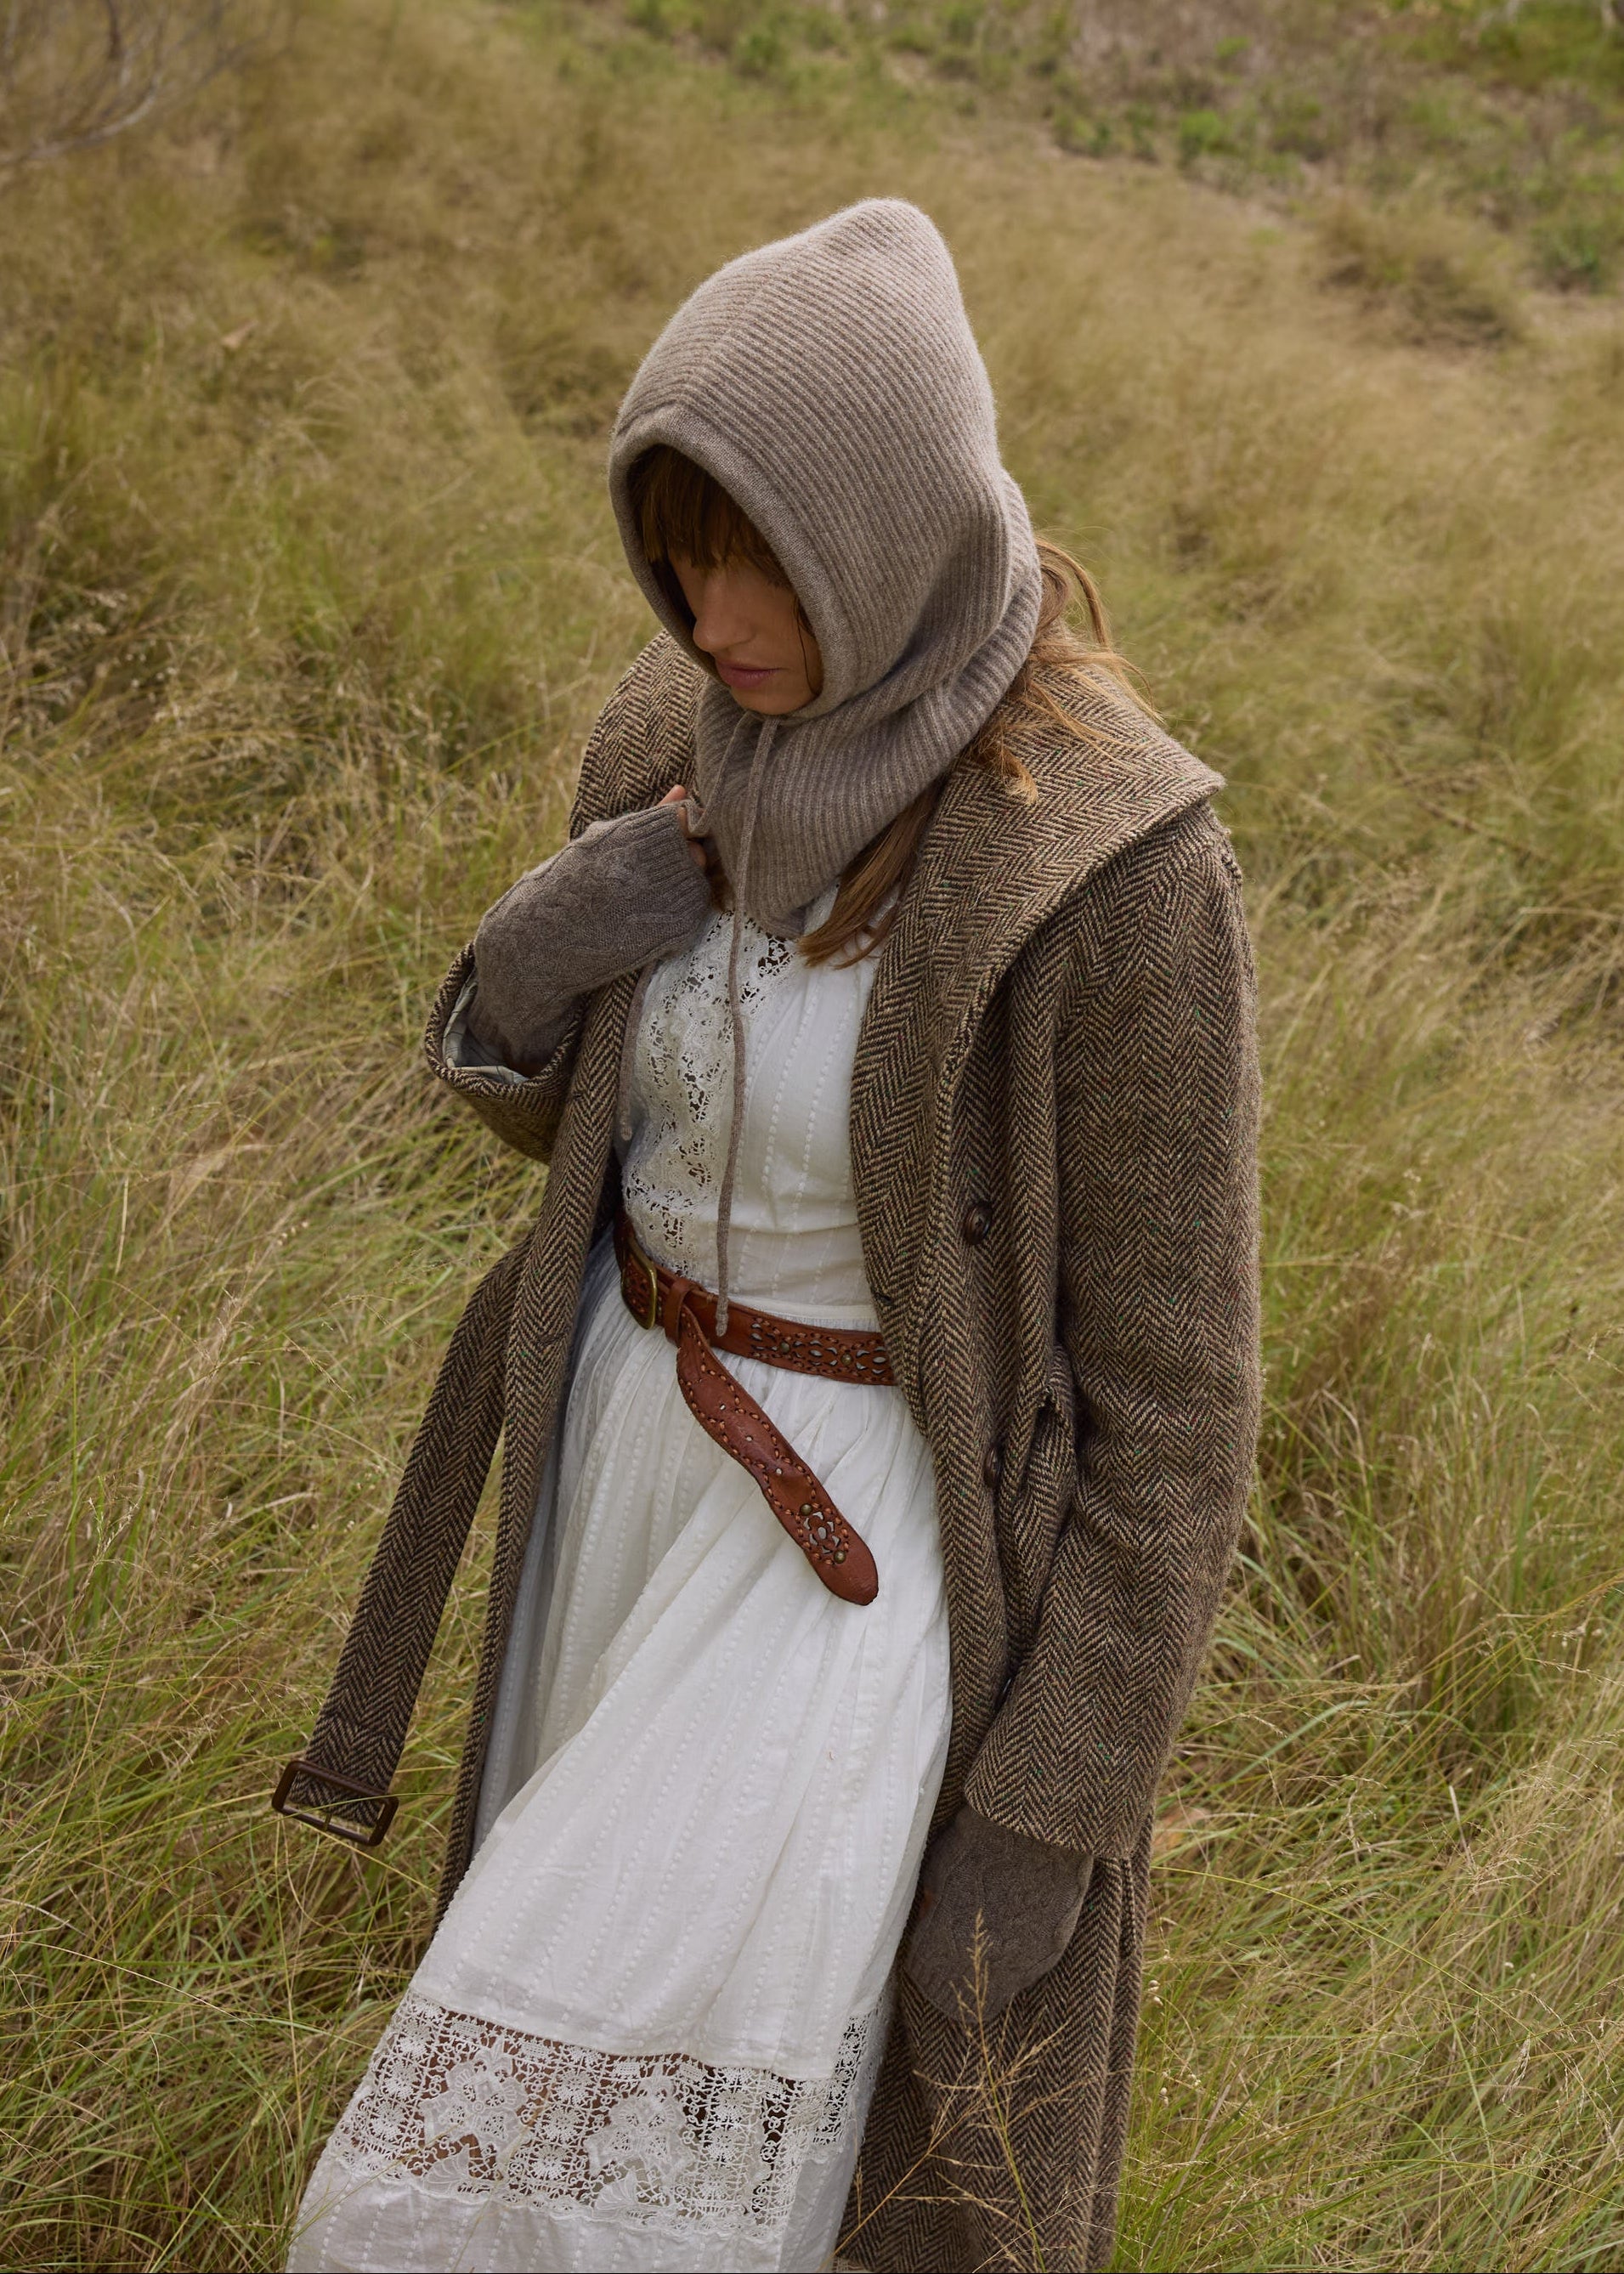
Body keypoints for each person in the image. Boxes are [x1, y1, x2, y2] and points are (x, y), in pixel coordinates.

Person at [277, 197, 1260, 2274]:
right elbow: (589, 1145)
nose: (707, 610)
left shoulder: (1114, 867)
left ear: (883, 533)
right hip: (616, 1483)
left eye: (756, 559)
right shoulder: (668, 741)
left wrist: (1050, 1804)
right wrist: (522, 981)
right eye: (674, 546)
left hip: (862, 1572)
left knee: (514, 2198)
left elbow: (1177, 1409)